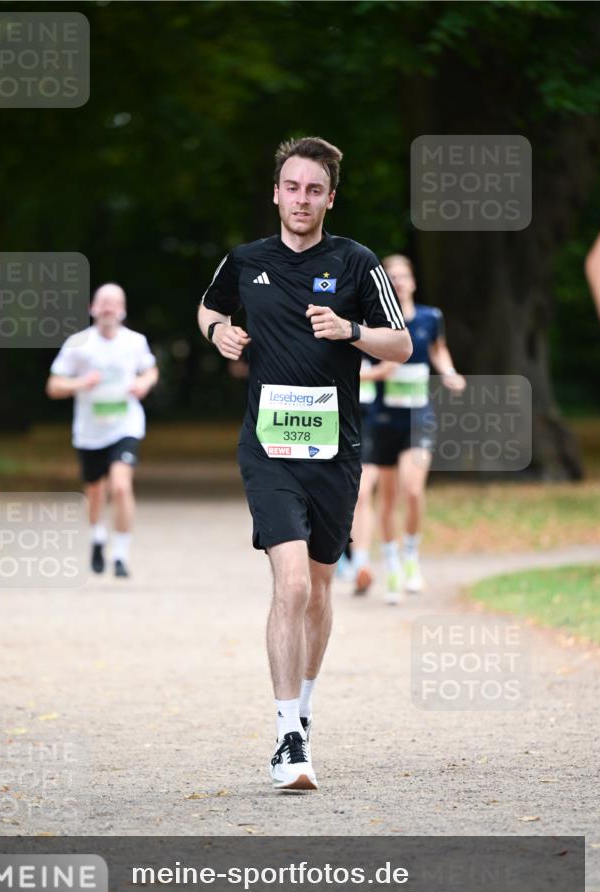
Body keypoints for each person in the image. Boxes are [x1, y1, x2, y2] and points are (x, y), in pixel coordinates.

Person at [197, 137, 411, 790]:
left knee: (319, 589)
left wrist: (350, 330)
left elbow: (398, 344)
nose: (300, 199)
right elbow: (210, 306)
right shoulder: (245, 261)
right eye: (291, 186)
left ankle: (306, 709)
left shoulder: (356, 263)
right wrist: (216, 332)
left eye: (313, 190)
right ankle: (287, 735)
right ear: (275, 192)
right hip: (267, 447)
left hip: (334, 451)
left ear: (328, 199)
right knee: (288, 584)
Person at [349, 255, 465, 603]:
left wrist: (448, 372)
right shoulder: (374, 322)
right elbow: (358, 367)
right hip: (383, 419)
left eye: (404, 275)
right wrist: (376, 373)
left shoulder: (431, 317)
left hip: (419, 417)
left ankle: (412, 555)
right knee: (386, 498)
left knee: (413, 490)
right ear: (385, 283)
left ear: (413, 281)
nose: (399, 281)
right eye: (392, 276)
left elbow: (438, 352)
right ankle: (392, 563)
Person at [46, 283, 158, 578]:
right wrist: (81, 383)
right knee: (95, 492)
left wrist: (144, 383)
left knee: (121, 486)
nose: (108, 307)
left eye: (114, 302)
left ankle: (120, 554)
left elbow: (150, 370)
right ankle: (97, 537)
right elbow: (54, 386)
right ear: (92, 308)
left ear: (122, 310)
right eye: (103, 302)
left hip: (126, 425)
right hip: (89, 431)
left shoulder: (135, 342)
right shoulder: (78, 344)